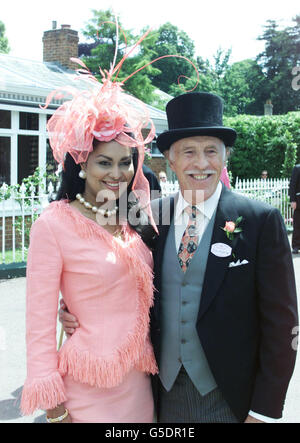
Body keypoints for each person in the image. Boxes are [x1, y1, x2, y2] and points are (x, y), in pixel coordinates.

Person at [61, 92, 298, 423]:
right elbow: (115, 279)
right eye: (189, 152)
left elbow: (283, 326)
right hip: (162, 396)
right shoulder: (151, 219)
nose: (201, 163)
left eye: (211, 151)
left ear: (225, 157)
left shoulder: (261, 221)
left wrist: (263, 412)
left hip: (232, 399)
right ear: (170, 159)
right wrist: (73, 307)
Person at [20, 57, 159, 423]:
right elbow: (37, 324)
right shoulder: (53, 226)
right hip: (85, 393)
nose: (118, 173)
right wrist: (54, 409)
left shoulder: (135, 217)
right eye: (104, 163)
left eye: (126, 162)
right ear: (81, 163)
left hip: (140, 388)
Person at [289, 164, 300, 254]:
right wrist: (292, 200)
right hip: (298, 201)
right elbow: (292, 185)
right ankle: (296, 246)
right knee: (297, 224)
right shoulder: (297, 168)